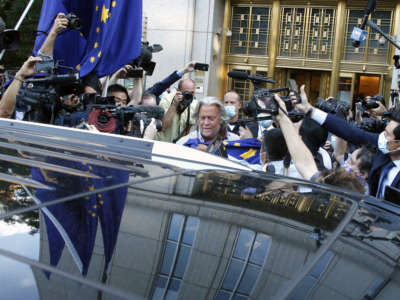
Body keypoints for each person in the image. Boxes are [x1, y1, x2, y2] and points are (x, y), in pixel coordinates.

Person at [293, 85, 400, 198]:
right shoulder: (384, 154)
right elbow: (349, 131)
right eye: (384, 132)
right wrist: (310, 110)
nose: (381, 137)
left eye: (387, 135)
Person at [273, 93, 366, 193]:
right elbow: (305, 165)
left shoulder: (282, 171)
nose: (346, 164)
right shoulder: (324, 169)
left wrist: (283, 118)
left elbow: (305, 165)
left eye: (351, 162)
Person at [156, 78, 198, 143]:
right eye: (187, 92)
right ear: (178, 91)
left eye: (192, 93)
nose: (189, 95)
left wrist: (179, 143)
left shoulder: (194, 104)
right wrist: (174, 105)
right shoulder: (166, 99)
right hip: (162, 142)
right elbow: (163, 127)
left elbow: (187, 129)